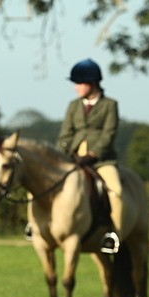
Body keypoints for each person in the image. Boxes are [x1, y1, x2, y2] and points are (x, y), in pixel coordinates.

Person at [57, 58, 122, 251]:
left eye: (80, 83)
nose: (76, 87)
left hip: (101, 160)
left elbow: (109, 133)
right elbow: (65, 134)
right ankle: (38, 226)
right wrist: (63, 153)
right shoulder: (73, 105)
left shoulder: (110, 105)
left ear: (92, 83)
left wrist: (93, 154)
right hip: (74, 158)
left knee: (115, 190)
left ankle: (112, 233)